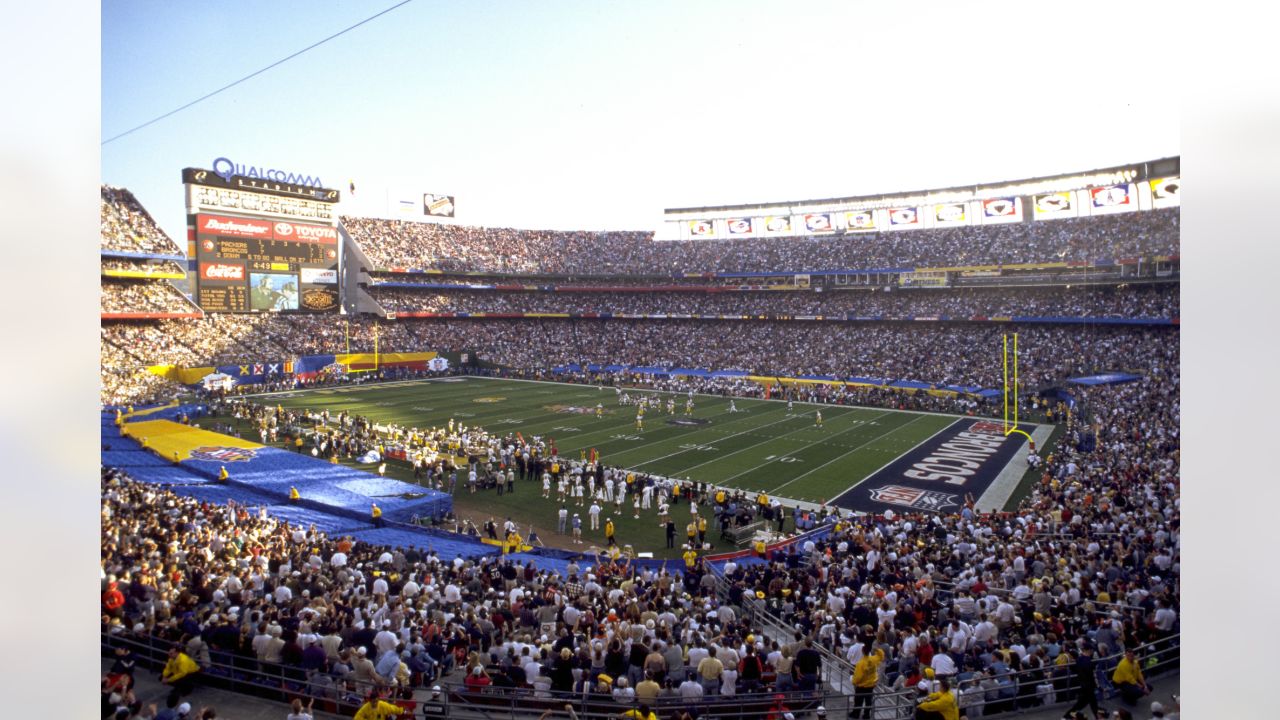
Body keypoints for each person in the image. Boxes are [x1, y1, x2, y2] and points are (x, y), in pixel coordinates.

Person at [1061, 644, 1102, 719]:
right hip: (1089, 685)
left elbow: (1074, 669)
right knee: (1091, 703)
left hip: (1083, 684)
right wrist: (1097, 686)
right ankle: (1097, 717)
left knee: (1083, 703)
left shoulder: (1078, 660)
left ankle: (1067, 715)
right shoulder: (1088, 661)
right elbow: (1091, 675)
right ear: (1090, 650)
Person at [851, 641, 884, 719]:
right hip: (871, 685)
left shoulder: (860, 663)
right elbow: (881, 655)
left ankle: (856, 714)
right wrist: (876, 649)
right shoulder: (873, 659)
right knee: (868, 701)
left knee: (858, 701)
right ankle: (866, 715)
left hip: (861, 686)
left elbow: (858, 677)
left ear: (862, 651)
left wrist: (854, 682)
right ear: (869, 651)